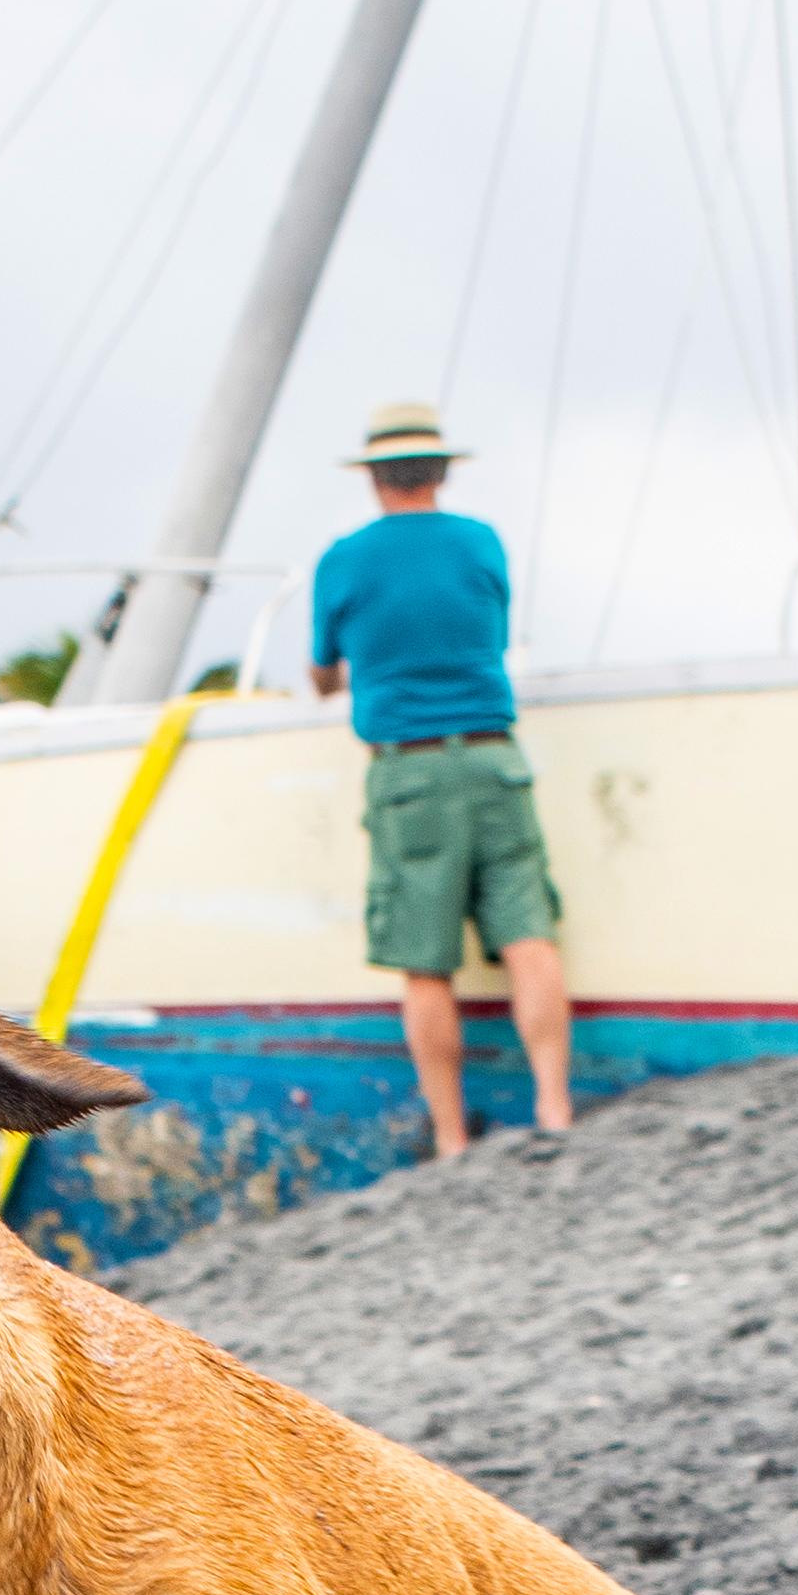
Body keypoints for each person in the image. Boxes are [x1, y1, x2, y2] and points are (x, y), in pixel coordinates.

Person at [310, 393, 574, 1164]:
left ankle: (453, 1138)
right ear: (441, 472)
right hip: (495, 757)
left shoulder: (345, 559)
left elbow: (325, 669)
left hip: (410, 770)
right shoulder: (480, 542)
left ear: (374, 477)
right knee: (528, 936)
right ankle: (555, 1108)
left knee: (425, 963)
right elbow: (489, 632)